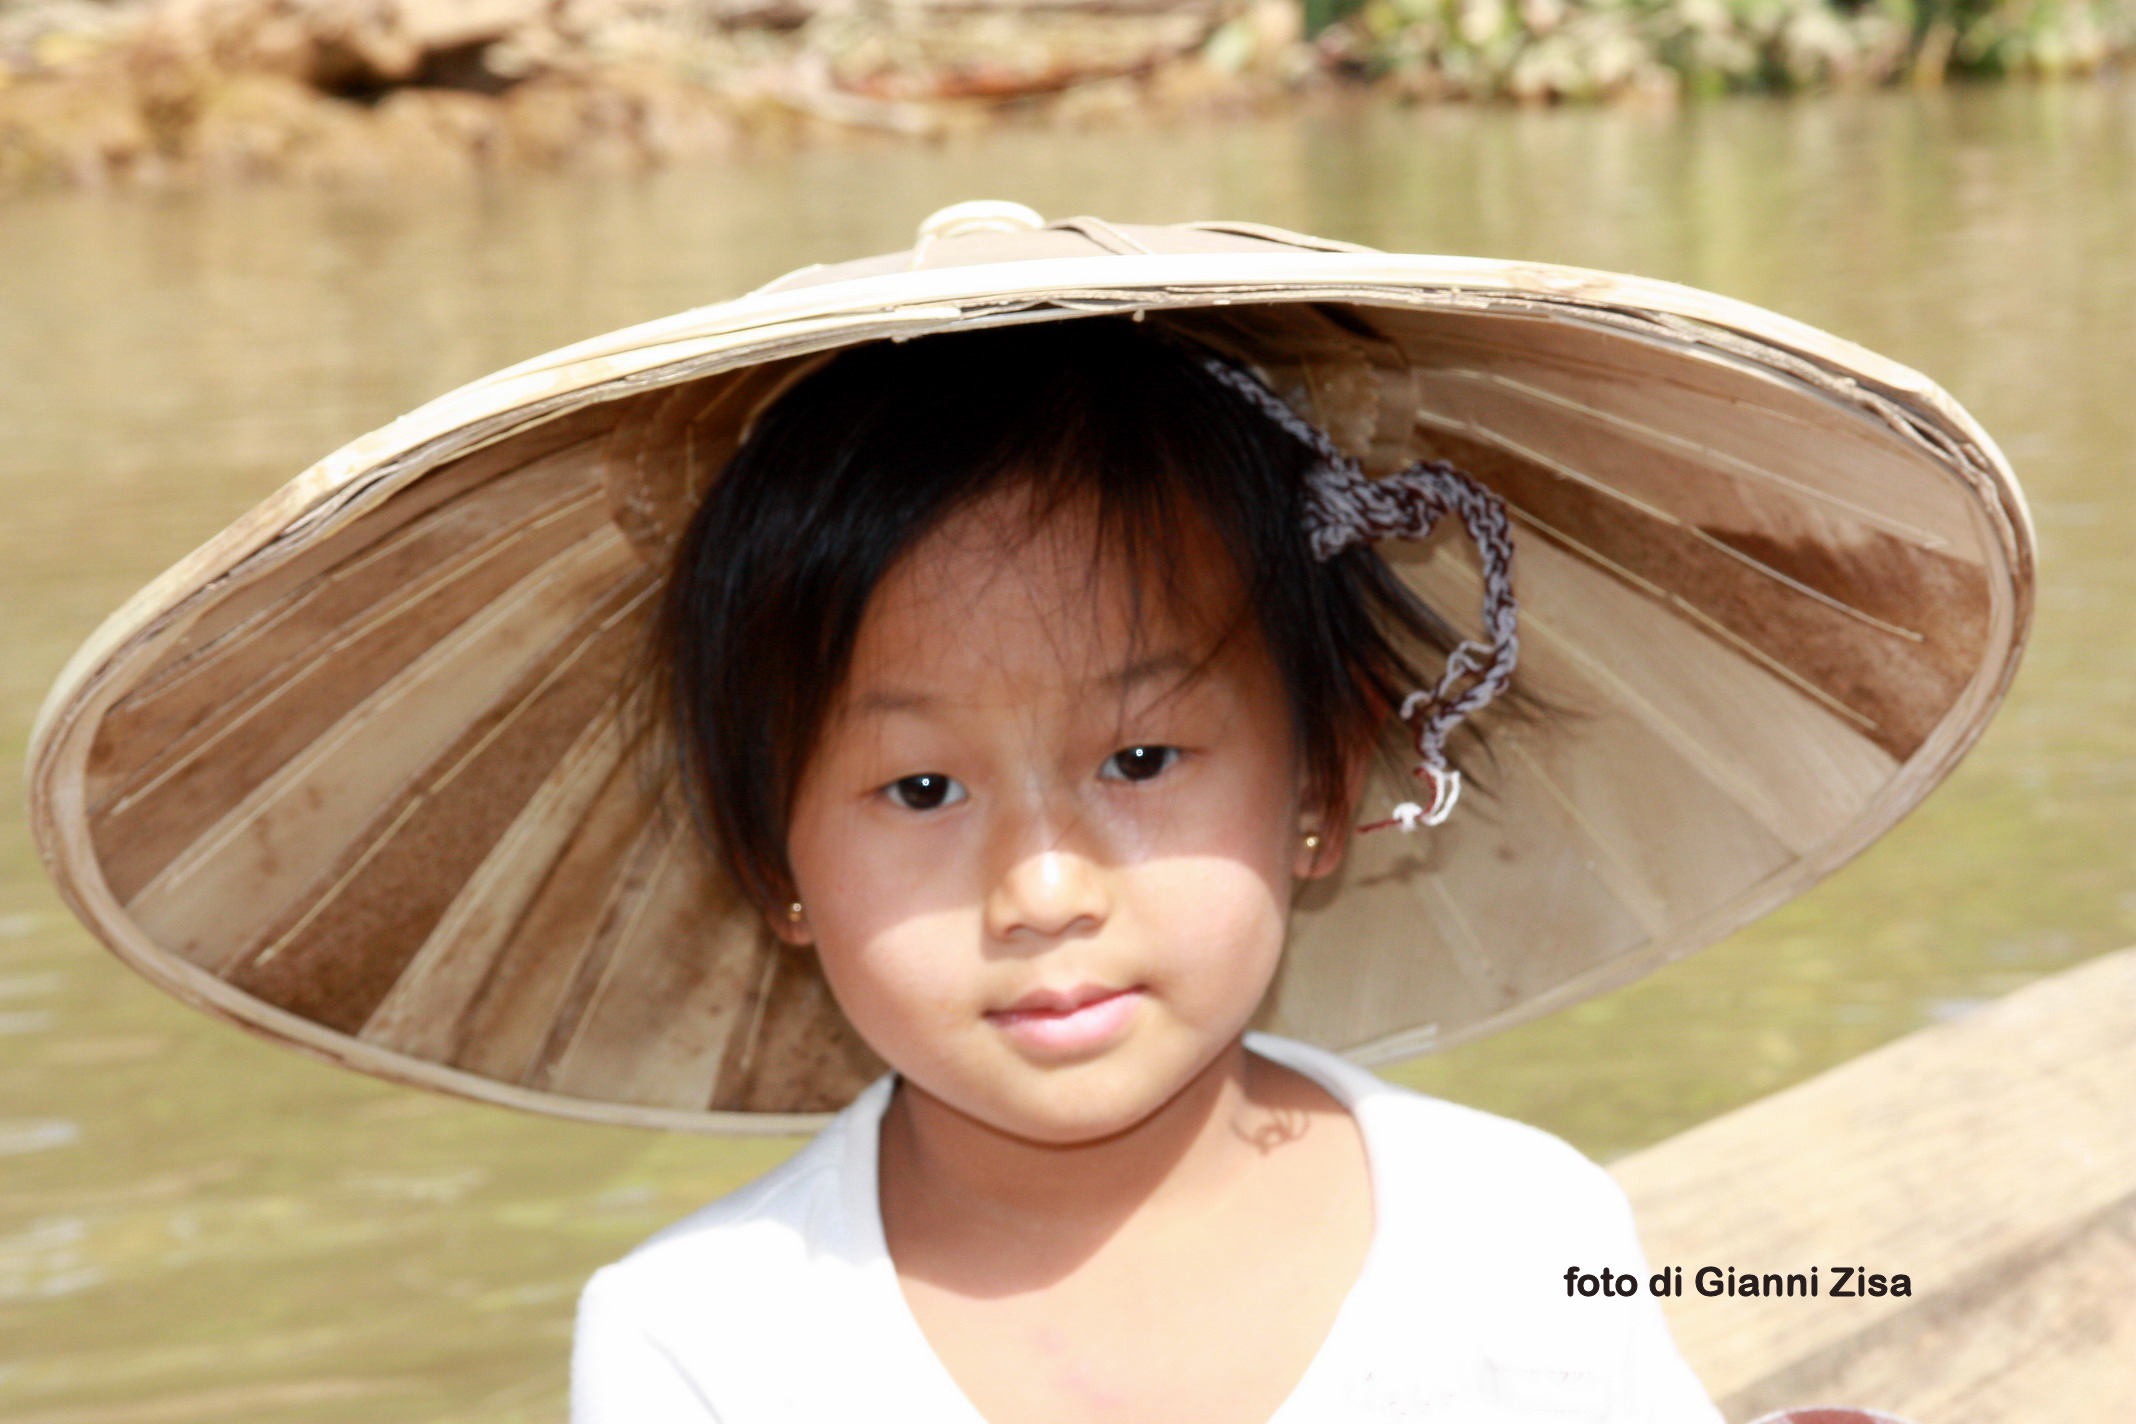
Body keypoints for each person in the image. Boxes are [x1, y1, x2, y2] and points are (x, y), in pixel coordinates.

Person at [571, 318, 1721, 1422]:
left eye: (1139, 757)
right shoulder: (699, 1343)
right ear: (772, 859)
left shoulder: (1520, 1229)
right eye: (923, 789)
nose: (1046, 893)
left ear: (1320, 782)